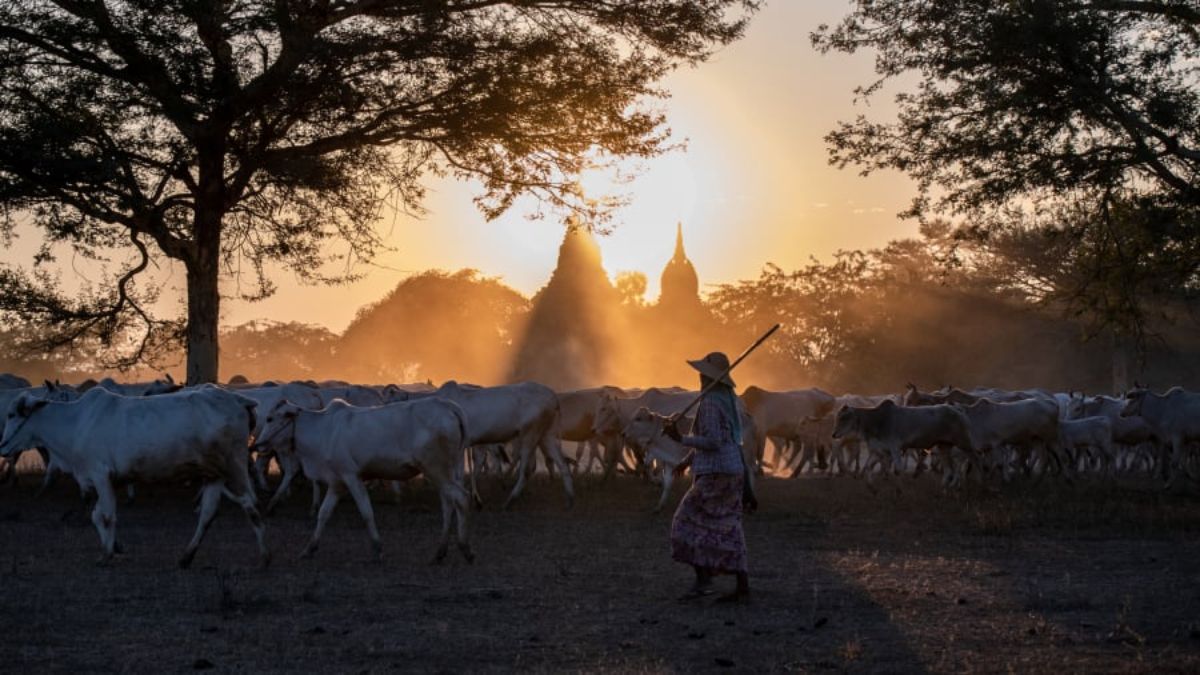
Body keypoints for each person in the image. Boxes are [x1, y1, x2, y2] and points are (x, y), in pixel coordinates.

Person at [664, 351, 756, 602]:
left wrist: (679, 438)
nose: (700, 377)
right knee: (729, 525)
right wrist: (686, 461)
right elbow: (726, 440)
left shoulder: (710, 403)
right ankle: (742, 586)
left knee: (685, 521)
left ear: (709, 376)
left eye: (703, 373)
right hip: (732, 469)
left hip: (716, 473)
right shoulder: (729, 399)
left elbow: (713, 442)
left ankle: (704, 580)